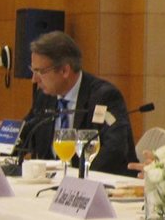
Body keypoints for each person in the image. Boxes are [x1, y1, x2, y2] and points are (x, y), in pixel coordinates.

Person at [21, 31, 138, 175]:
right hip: (53, 181)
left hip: (103, 182)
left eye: (40, 72)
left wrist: (78, 176)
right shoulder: (44, 97)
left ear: (64, 70)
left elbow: (115, 149)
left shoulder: (104, 97)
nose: (34, 79)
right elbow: (25, 134)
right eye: (33, 71)